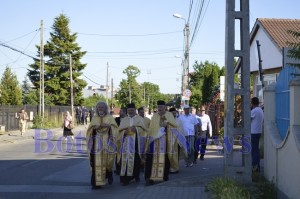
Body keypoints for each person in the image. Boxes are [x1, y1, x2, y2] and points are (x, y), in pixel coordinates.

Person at [86, 101, 118, 189]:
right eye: (99, 107)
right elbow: (89, 131)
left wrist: (108, 126)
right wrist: (95, 128)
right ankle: (96, 183)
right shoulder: (94, 118)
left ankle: (109, 174)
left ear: (105, 108)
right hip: (96, 144)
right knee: (96, 163)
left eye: (102, 107)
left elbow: (115, 129)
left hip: (108, 143)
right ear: (97, 109)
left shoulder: (110, 117)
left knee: (108, 161)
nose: (100, 109)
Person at [144, 100, 177, 185]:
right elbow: (151, 128)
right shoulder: (154, 116)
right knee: (150, 159)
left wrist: (167, 125)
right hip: (154, 141)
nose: (160, 108)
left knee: (165, 159)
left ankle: (164, 176)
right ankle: (149, 178)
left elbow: (174, 126)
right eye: (158, 107)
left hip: (165, 140)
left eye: (161, 107)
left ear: (165, 107)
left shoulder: (169, 115)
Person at [118, 103, 146, 185]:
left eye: (132, 110)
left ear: (135, 110)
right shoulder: (124, 120)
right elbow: (119, 131)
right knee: (125, 161)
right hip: (125, 144)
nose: (130, 111)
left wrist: (136, 129)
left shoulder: (139, 119)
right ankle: (125, 179)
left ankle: (135, 176)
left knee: (136, 161)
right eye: (129, 110)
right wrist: (124, 132)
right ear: (127, 111)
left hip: (136, 144)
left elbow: (143, 130)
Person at [250, 97, 264, 172]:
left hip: (254, 132)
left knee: (254, 149)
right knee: (256, 149)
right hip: (259, 131)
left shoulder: (254, 111)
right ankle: (257, 165)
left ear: (252, 103)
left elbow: (248, 119)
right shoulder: (260, 110)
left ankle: (254, 165)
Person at [114, 107, 127, 175]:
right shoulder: (116, 119)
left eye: (121, 111)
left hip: (127, 139)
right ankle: (118, 169)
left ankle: (125, 169)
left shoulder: (128, 119)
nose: (119, 112)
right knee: (118, 154)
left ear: (125, 112)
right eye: (120, 111)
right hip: (118, 139)